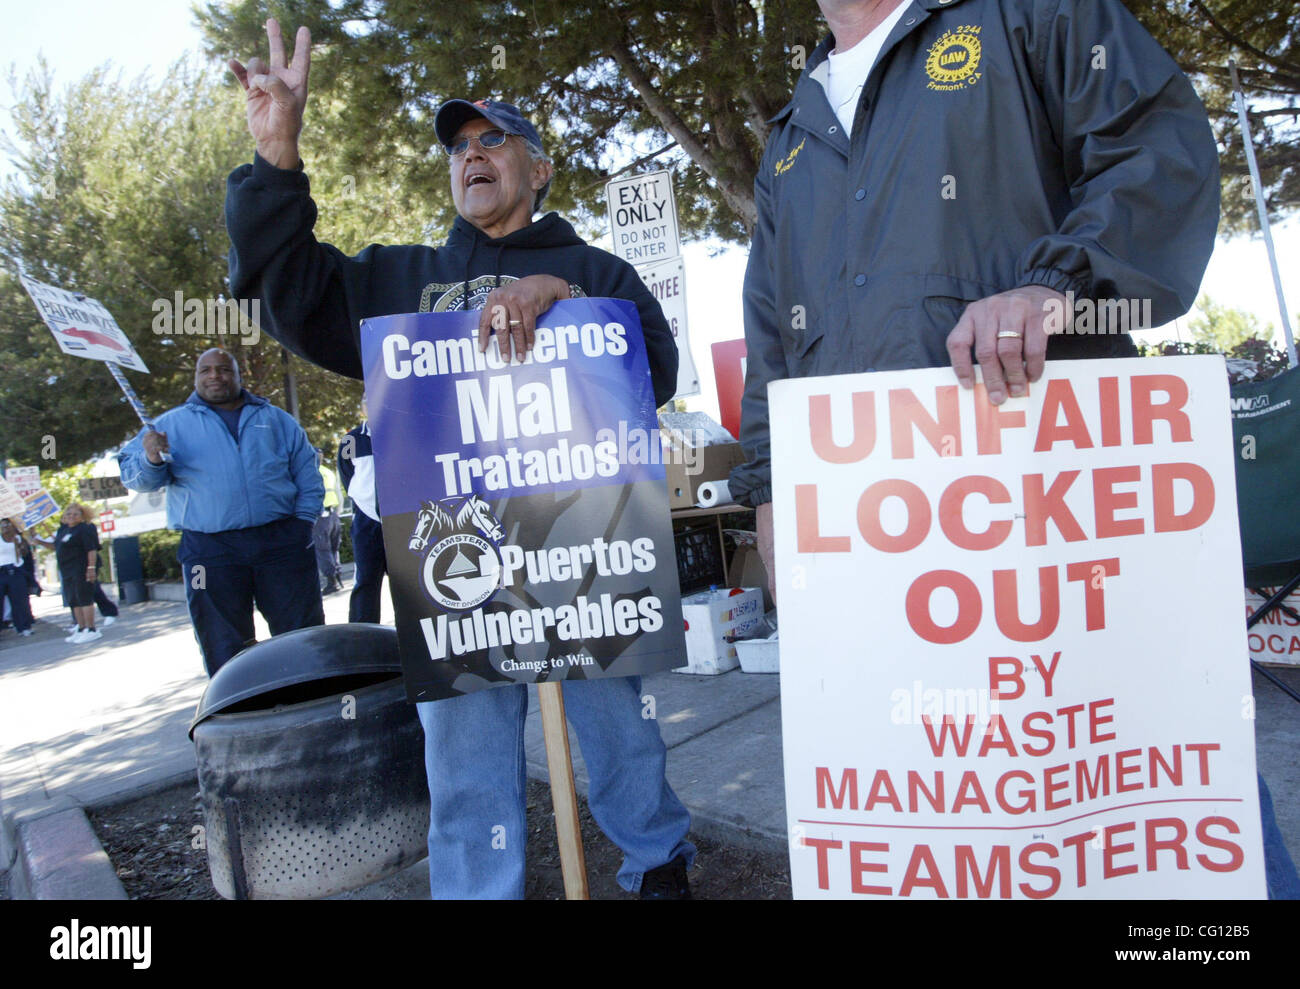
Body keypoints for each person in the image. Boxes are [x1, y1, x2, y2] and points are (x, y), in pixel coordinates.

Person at [731, 0, 1297, 898]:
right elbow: (769, 336)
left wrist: (1057, 286)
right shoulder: (791, 130)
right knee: (943, 809)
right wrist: (767, 491)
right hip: (879, 549)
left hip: (1056, 523)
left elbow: (1160, 149)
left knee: (1151, 787)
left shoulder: (1026, 14)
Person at [224, 19, 694, 899]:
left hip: (588, 550)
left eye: (494, 140)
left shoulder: (599, 267)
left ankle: (657, 864)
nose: (472, 155)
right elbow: (285, 291)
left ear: (540, 167)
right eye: (459, 147)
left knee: (622, 733)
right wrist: (277, 160)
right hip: (457, 568)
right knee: (466, 755)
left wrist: (564, 294)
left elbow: (656, 368)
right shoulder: (404, 285)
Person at [117, 348, 325, 676]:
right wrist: (151, 459)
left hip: (282, 542)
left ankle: (311, 699)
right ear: (196, 378)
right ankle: (239, 713)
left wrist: (303, 523)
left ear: (238, 376)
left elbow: (307, 475)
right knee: (224, 642)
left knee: (300, 632)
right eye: (206, 371)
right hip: (210, 550)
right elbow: (136, 478)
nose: (215, 376)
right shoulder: (168, 425)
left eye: (224, 370)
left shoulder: (276, 420)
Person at [338, 400, 388, 624]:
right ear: (362, 407)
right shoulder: (351, 440)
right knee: (366, 580)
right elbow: (348, 476)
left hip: (401, 520)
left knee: (407, 582)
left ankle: (411, 634)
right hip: (367, 522)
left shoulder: (402, 431)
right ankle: (362, 634)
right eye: (367, 400)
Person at [30, 505, 101, 643]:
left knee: (84, 598)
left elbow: (91, 550)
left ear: (82, 515)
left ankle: (91, 629)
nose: (71, 516)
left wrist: (91, 568)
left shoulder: (84, 529)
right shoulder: (63, 530)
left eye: (75, 514)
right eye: (68, 514)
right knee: (74, 600)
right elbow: (55, 546)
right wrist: (39, 542)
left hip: (80, 569)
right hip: (66, 570)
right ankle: (81, 628)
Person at [314, 447, 344, 594]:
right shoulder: (327, 471)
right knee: (333, 549)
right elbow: (338, 492)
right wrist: (338, 513)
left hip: (320, 517)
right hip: (333, 515)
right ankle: (338, 577)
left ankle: (332, 582)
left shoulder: (310, 472)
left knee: (323, 550)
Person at [0, 517, 35, 638]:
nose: (5, 528)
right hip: (1, 570)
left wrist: (17, 544)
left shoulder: (19, 539)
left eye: (8, 525)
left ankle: (23, 627)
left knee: (19, 600)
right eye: (3, 526)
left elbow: (24, 553)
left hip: (15, 570)